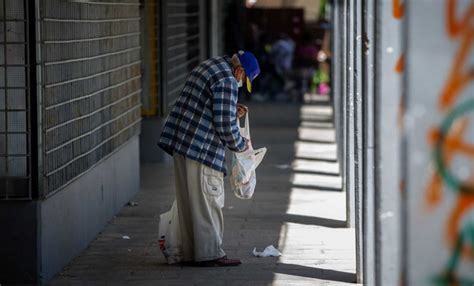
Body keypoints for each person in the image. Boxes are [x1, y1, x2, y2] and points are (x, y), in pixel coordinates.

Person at [158, 51, 260, 267]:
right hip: (201, 148)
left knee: (189, 203)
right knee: (207, 201)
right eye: (243, 79)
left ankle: (190, 253)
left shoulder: (212, 65)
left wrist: (232, 110)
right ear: (240, 71)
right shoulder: (227, 80)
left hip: (182, 144)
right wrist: (243, 147)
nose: (240, 83)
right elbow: (224, 125)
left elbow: (207, 106)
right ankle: (210, 254)